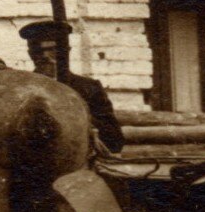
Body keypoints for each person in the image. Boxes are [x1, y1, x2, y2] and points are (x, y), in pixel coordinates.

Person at [20, 19, 126, 156]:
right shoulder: (22, 89)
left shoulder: (89, 88)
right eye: (38, 51)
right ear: (30, 54)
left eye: (52, 50)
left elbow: (114, 141)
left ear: (66, 52)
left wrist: (76, 116)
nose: (45, 56)